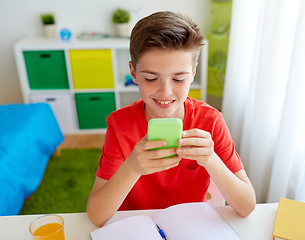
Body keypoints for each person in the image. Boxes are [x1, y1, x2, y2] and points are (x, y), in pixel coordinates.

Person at [86, 11, 256, 227]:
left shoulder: (211, 121)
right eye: (150, 78)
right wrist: (132, 168)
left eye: (178, 78)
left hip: (190, 226)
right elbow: (96, 215)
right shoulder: (120, 125)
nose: (165, 92)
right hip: (137, 226)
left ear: (193, 73)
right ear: (133, 73)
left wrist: (212, 160)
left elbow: (247, 206)